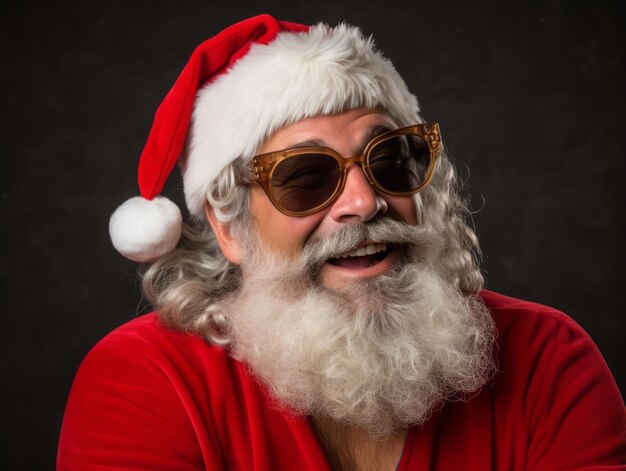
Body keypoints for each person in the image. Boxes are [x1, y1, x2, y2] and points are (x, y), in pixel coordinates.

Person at [57, 14, 626, 470]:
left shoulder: (549, 360)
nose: (365, 201)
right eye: (305, 176)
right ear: (229, 226)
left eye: (389, 160)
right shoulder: (143, 382)